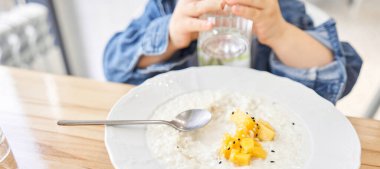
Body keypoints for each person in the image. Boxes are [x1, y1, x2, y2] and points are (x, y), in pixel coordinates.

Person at [103, 0, 362, 104]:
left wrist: (280, 33)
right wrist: (170, 36)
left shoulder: (282, 8)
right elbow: (114, 67)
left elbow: (342, 75)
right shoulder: (168, 6)